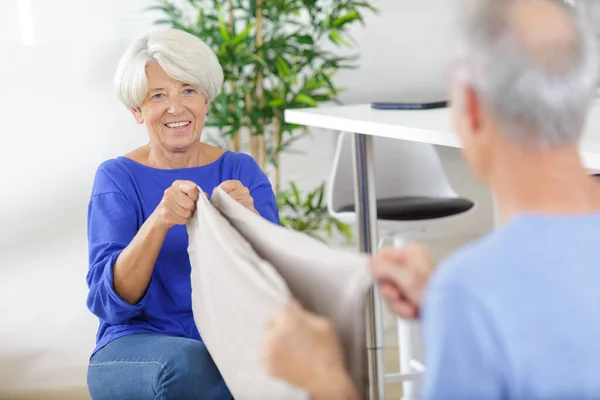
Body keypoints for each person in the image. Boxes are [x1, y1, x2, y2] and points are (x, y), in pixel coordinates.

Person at [262, 0, 600, 399]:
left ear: (470, 108)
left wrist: (325, 380)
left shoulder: (474, 293)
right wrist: (448, 309)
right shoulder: (468, 297)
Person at [86, 28, 279, 400]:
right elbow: (109, 302)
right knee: (194, 364)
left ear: (206, 100)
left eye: (188, 90)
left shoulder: (241, 171)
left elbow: (280, 288)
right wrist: (159, 220)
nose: (176, 108)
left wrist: (250, 224)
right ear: (137, 111)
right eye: (158, 95)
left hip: (226, 338)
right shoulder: (117, 177)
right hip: (136, 346)